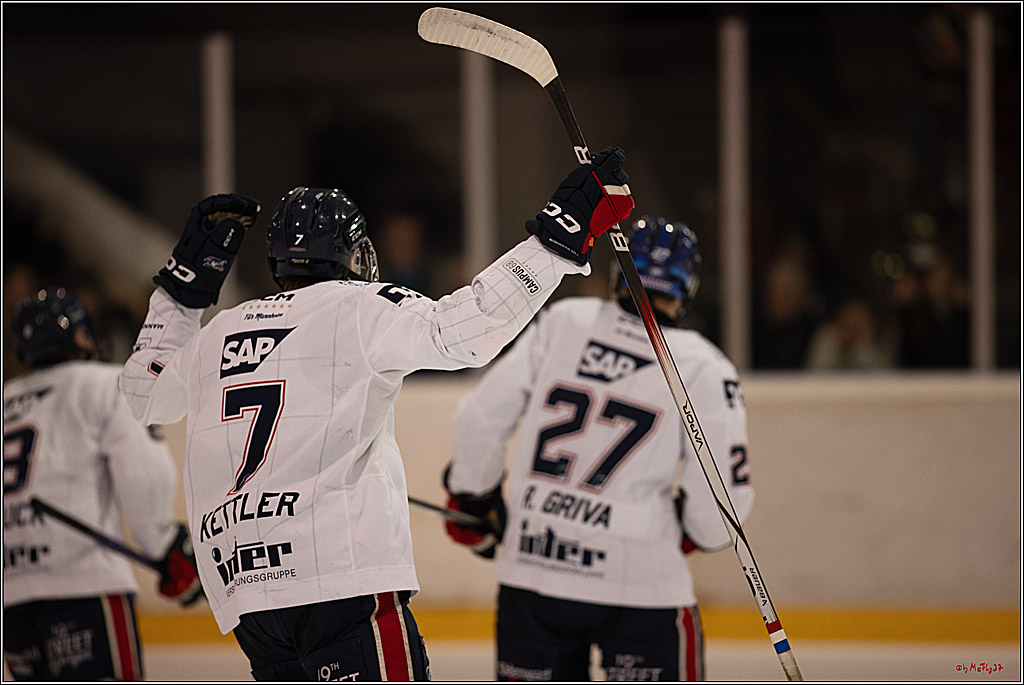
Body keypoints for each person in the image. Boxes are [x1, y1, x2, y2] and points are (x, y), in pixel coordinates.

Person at [117, 146, 635, 681]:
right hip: (340, 581)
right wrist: (556, 241)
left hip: (246, 593)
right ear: (352, 253)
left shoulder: (219, 332)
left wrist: (181, 293)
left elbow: (142, 392)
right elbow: (468, 331)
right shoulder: (356, 307)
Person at [443, 216, 754, 681]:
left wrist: (473, 497)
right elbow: (720, 504)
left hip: (533, 576)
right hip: (642, 587)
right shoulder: (704, 365)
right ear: (687, 285)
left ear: (618, 272)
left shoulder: (562, 322)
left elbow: (479, 418)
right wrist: (698, 532)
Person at [3, 287, 202, 681]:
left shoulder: (5, 400)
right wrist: (164, 544)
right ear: (81, 337)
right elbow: (143, 473)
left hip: (13, 600)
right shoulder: (102, 384)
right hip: (84, 588)